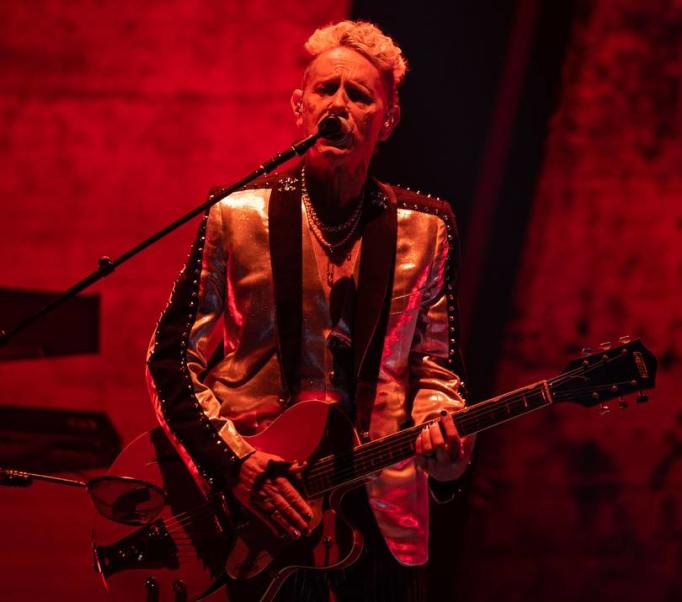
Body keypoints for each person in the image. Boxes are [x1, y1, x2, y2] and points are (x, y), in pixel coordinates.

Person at [145, 20, 473, 601]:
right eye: (325, 90)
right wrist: (236, 464)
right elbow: (169, 360)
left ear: (388, 121)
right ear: (300, 107)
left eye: (359, 95)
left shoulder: (427, 230)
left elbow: (435, 369)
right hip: (258, 514)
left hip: (381, 520)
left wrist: (441, 434)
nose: (338, 106)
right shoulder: (235, 215)